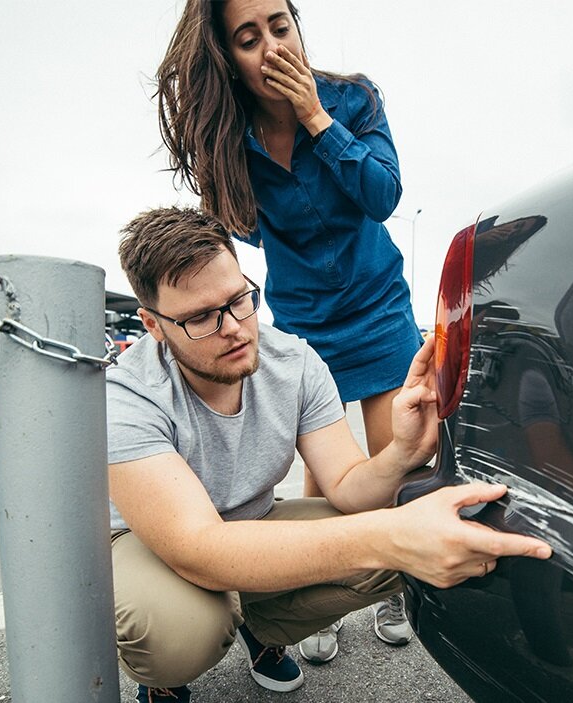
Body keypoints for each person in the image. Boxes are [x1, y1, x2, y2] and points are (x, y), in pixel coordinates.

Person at [108, 206, 552, 702]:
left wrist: (403, 451)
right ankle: (166, 680)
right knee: (179, 632)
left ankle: (263, 632)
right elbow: (197, 548)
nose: (234, 327)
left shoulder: (292, 359)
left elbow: (346, 487)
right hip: (154, 546)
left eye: (239, 300)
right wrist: (390, 537)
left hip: (250, 523)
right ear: (152, 324)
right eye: (200, 318)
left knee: (395, 540)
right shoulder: (126, 394)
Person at [156, 0, 422, 659]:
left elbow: (382, 195)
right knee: (325, 476)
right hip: (304, 322)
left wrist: (315, 119)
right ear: (230, 60)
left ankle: (391, 588)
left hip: (378, 305)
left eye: (280, 24)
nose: (273, 46)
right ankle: (321, 592)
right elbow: (242, 226)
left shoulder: (353, 98)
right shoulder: (229, 139)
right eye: (249, 38)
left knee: (392, 463)